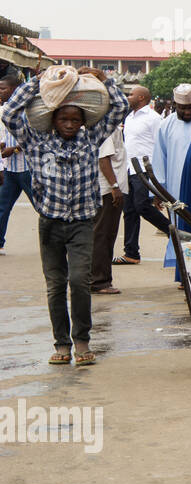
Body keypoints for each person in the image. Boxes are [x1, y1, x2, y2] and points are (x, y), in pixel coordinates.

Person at [0, 67, 129, 365]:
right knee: (55, 285)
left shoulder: (91, 140)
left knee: (80, 281)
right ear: (53, 120)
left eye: (75, 119)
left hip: (83, 223)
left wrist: (104, 79)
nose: (70, 124)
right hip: (50, 225)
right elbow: (9, 113)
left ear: (84, 121)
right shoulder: (35, 142)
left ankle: (82, 341)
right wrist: (39, 81)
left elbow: (120, 107)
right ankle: (61, 344)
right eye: (64, 119)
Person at [118, 83, 170, 265]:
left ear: (141, 98)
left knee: (142, 206)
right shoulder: (130, 117)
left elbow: (161, 146)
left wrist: (159, 176)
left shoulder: (153, 118)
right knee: (129, 211)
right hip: (129, 169)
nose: (127, 97)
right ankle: (131, 253)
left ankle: (172, 232)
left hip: (144, 170)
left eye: (131, 94)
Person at [152, 83, 191, 204]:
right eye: (183, 108)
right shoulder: (166, 125)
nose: (188, 112)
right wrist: (158, 191)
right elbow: (159, 159)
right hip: (176, 184)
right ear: (175, 105)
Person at [90, 123, 129, 295]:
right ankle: (99, 281)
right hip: (108, 191)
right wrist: (114, 186)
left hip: (109, 190)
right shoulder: (105, 127)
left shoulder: (110, 127)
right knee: (103, 235)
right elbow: (103, 159)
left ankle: (98, 278)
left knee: (104, 235)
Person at [0, 72, 37, 254]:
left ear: (15, 89)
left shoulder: (27, 110)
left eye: (3, 88)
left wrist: (13, 149)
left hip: (27, 168)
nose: (0, 91)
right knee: (2, 206)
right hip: (9, 169)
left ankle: (59, 241)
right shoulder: (5, 108)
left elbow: (34, 138)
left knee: (42, 205)